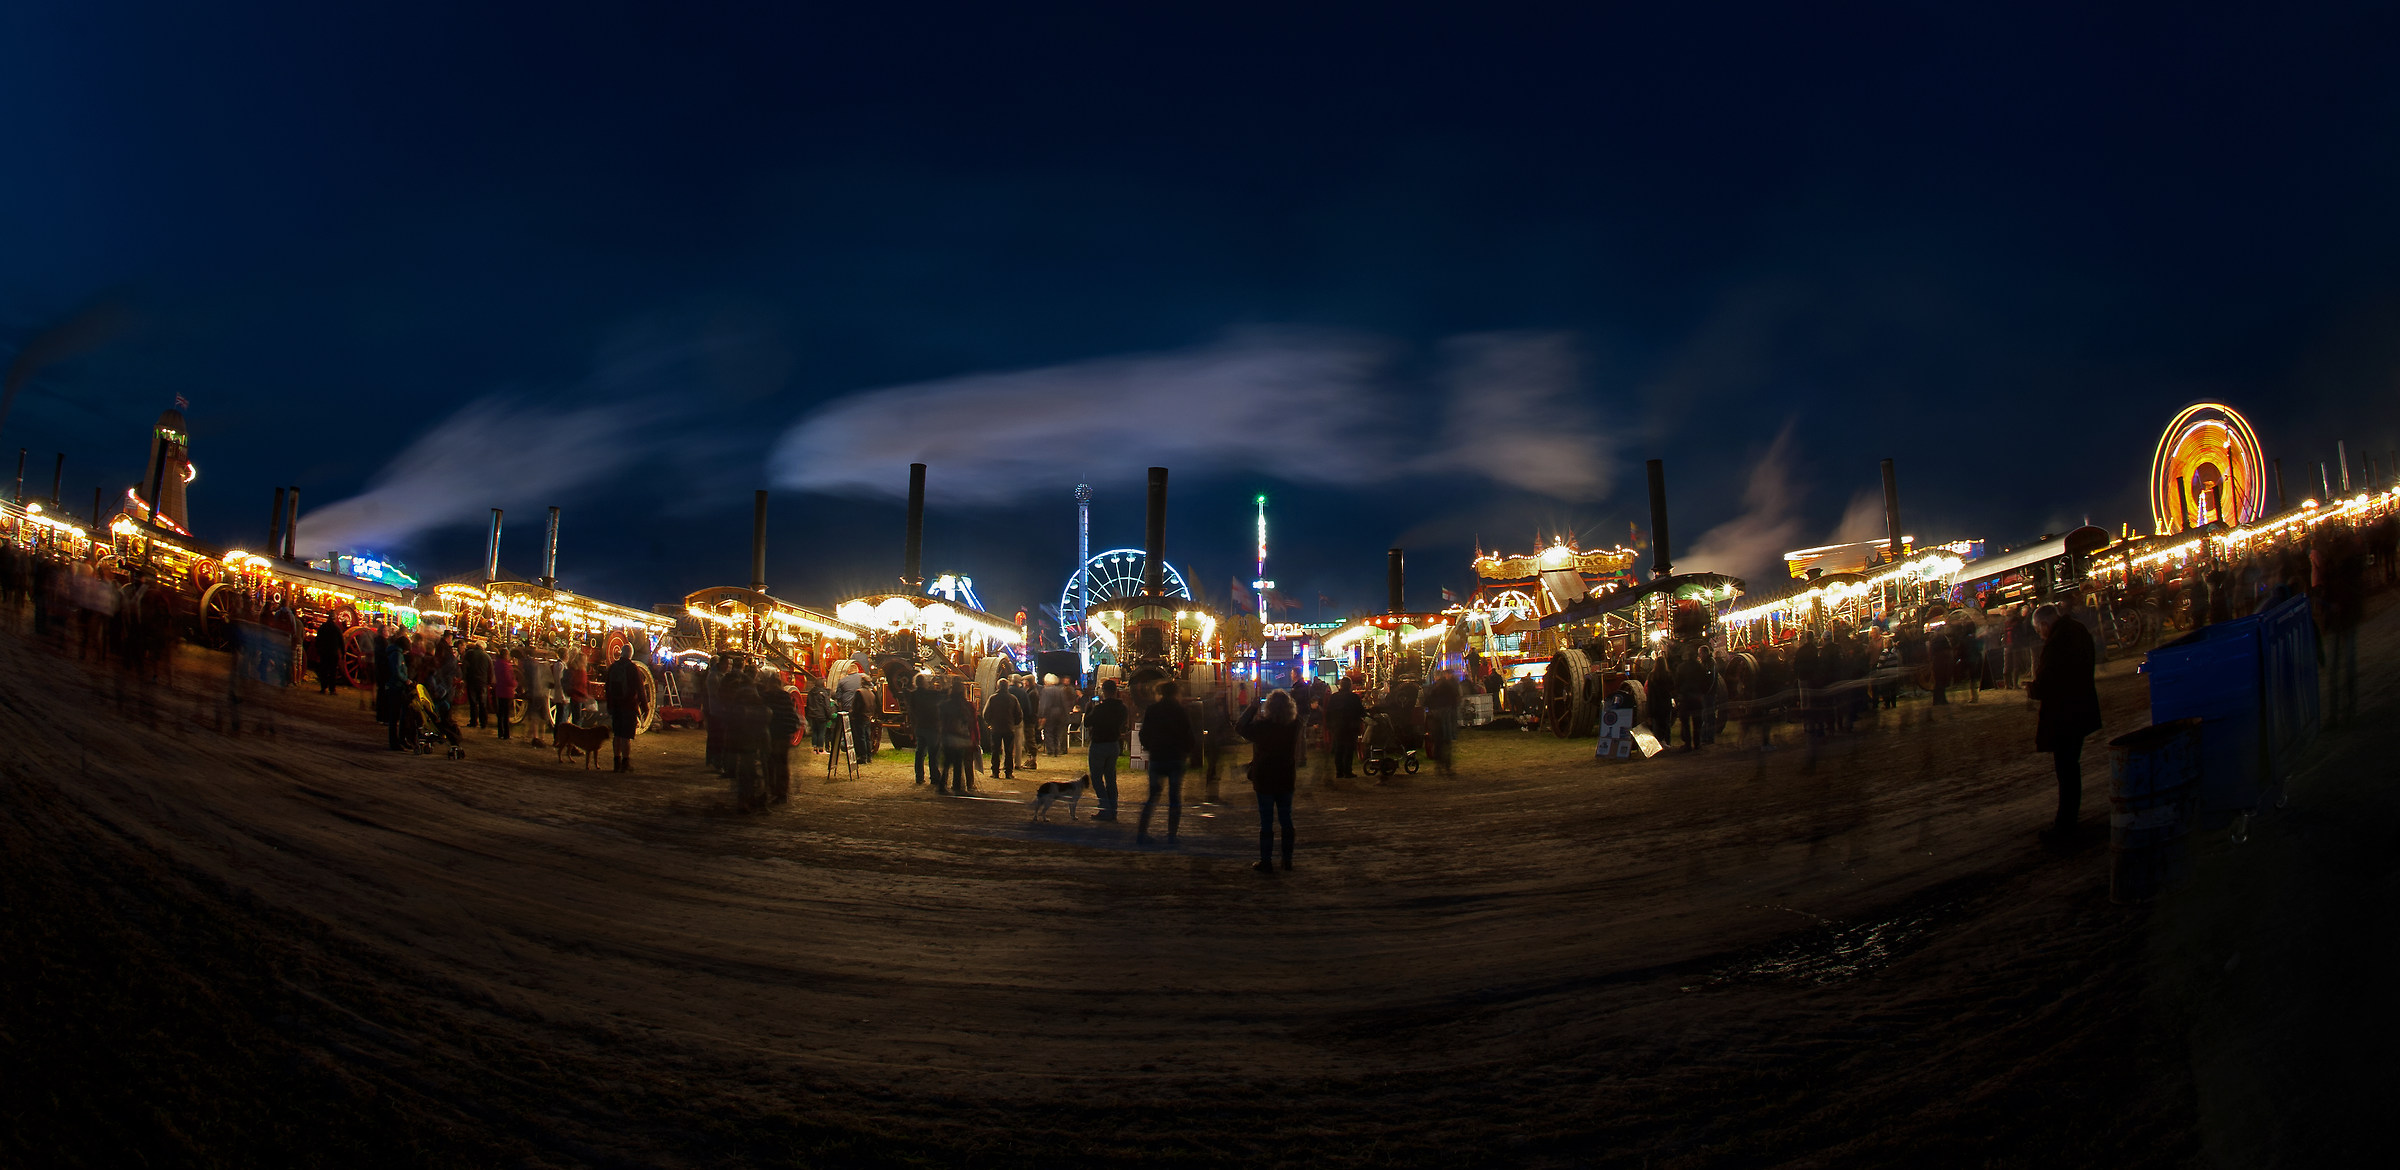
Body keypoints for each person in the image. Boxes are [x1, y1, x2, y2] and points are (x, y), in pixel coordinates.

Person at [2027, 603, 2102, 851]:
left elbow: (2050, 679)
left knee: (2066, 769)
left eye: (2039, 631)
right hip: (2081, 706)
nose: (2040, 635)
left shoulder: (2057, 641)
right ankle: (2068, 820)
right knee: (2071, 766)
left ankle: (2065, 824)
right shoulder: (2078, 631)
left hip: (2065, 713)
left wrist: (2033, 689)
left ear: (2045, 625)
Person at [1238, 689, 1302, 873]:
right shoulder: (1294, 725)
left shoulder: (1262, 726)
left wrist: (1251, 708)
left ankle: (1266, 860)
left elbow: (1240, 728)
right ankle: (1287, 859)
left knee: (1266, 821)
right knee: (1286, 819)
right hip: (1285, 775)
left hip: (1265, 776)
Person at [1136, 681, 1195, 845]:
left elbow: (1143, 733)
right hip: (1175, 757)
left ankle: (1142, 833)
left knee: (1153, 796)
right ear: (1176, 693)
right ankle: (1171, 835)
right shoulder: (1180, 711)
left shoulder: (1152, 710)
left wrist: (1150, 746)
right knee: (1174, 797)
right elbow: (1188, 733)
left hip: (1157, 756)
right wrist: (1187, 751)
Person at [1084, 679, 1127, 820]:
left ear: (1104, 691)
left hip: (1099, 743)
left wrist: (1090, 708)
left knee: (1096, 779)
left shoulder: (1100, 708)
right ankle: (1113, 810)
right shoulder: (1122, 708)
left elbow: (1088, 722)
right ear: (1116, 691)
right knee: (1111, 778)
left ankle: (1105, 807)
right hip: (1113, 743)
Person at [605, 645, 644, 773]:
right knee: (626, 736)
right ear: (631, 654)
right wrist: (644, 705)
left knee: (617, 734)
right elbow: (640, 688)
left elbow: (607, 688)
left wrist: (610, 704)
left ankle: (616, 761)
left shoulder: (612, 667)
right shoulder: (633, 668)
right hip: (628, 705)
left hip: (615, 705)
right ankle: (625, 762)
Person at [763, 674, 800, 801]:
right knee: (782, 763)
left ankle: (772, 788)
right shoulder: (784, 696)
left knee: (771, 762)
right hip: (783, 733)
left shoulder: (766, 696)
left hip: (771, 732)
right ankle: (782, 791)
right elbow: (790, 714)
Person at [938, 680, 976, 794]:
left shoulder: (945, 704)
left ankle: (942, 785)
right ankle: (956, 786)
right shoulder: (966, 706)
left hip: (947, 736)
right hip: (960, 737)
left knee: (947, 762)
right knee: (958, 763)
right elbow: (971, 722)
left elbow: (940, 720)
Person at [1422, 668, 1460, 776]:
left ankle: (1438, 765)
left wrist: (1431, 710)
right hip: (1446, 714)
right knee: (1447, 741)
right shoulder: (1449, 686)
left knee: (1438, 741)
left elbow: (1427, 701)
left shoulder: (1434, 687)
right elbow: (1455, 698)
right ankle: (1447, 766)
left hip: (1436, 716)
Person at [1326, 676, 1366, 777]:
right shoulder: (1354, 697)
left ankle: (1339, 771)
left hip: (1337, 726)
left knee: (1339, 749)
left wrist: (1330, 724)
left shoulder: (1334, 697)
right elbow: (1361, 711)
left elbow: (1328, 711)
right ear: (1350, 686)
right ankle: (1347, 771)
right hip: (1350, 727)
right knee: (1348, 749)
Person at [983, 678, 1022, 779]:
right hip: (1009, 728)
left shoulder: (993, 698)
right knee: (1009, 751)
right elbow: (1019, 714)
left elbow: (986, 713)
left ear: (997, 686)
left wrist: (990, 723)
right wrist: (1014, 724)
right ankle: (1008, 772)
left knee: (995, 750)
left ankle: (995, 772)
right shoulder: (1013, 699)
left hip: (996, 728)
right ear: (1007, 687)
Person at [908, 673, 943, 786]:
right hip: (932, 726)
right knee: (933, 753)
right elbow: (942, 696)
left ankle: (919, 776)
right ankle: (934, 777)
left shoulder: (913, 695)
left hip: (920, 726)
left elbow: (911, 709)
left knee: (920, 752)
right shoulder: (931, 694)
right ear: (924, 683)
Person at [1040, 674, 1073, 760]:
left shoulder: (1045, 691)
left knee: (1048, 732)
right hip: (1060, 714)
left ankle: (1050, 750)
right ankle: (1057, 750)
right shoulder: (1060, 690)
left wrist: (1042, 715)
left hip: (1050, 714)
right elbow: (1064, 703)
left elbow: (1044, 704)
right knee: (1057, 732)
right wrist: (1066, 715)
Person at [461, 638, 492, 728]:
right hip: (482, 682)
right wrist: (489, 682)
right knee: (483, 703)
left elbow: (464, 666)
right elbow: (490, 671)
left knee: (473, 702)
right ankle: (483, 722)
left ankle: (473, 721)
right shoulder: (487, 657)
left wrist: (464, 678)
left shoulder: (469, 654)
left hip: (471, 681)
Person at [491, 643, 517, 740]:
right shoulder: (506, 666)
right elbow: (508, 679)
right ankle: (506, 734)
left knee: (500, 712)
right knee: (506, 714)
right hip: (507, 691)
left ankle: (500, 732)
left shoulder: (497, 664)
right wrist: (515, 683)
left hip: (499, 690)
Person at [313, 618, 346, 694]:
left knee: (324, 670)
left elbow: (318, 639)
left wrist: (318, 649)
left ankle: (323, 688)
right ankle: (332, 689)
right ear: (334, 619)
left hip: (324, 652)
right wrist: (343, 653)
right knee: (333, 671)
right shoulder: (337, 628)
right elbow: (341, 642)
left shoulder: (323, 627)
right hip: (333, 653)